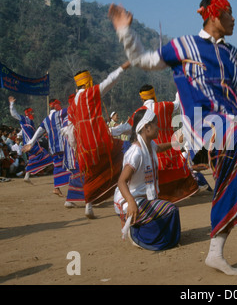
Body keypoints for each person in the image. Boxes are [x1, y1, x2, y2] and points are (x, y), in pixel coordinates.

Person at [109, 0, 237, 275]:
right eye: (229, 12)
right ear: (214, 15)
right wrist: (124, 30)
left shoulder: (234, 56)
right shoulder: (184, 46)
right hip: (204, 125)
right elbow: (143, 59)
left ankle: (215, 252)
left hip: (231, 126)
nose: (234, 18)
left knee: (230, 186)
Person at [111, 84, 199, 203]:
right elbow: (178, 103)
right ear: (153, 95)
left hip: (151, 156)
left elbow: (126, 128)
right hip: (169, 155)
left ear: (142, 98)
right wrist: (180, 84)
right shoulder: (165, 106)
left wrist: (109, 131)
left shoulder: (139, 113)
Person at [65, 62, 130, 218]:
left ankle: (89, 205)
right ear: (88, 82)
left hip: (84, 148)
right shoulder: (92, 93)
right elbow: (110, 81)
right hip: (101, 141)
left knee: (90, 174)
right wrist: (123, 67)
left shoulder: (72, 105)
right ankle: (127, 191)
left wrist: (75, 148)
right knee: (124, 152)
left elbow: (70, 131)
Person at [114, 108, 181, 250]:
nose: (159, 127)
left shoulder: (149, 145)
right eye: (156, 124)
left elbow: (160, 148)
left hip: (142, 199)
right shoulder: (136, 152)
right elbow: (121, 181)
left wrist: (174, 143)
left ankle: (144, 230)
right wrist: (131, 202)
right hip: (130, 201)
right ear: (146, 127)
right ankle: (139, 236)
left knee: (167, 212)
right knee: (170, 210)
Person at [22, 99, 72, 197]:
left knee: (58, 166)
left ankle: (56, 188)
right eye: (59, 104)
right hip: (63, 146)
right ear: (55, 105)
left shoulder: (45, 120)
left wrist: (31, 143)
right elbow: (73, 108)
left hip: (53, 149)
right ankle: (74, 193)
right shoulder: (61, 113)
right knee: (73, 167)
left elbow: (38, 132)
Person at [8, 96, 53, 181]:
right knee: (44, 153)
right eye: (32, 112)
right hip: (30, 144)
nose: (33, 114)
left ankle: (26, 176)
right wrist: (11, 104)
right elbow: (14, 114)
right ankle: (57, 164)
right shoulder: (23, 119)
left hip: (32, 143)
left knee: (32, 159)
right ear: (27, 113)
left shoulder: (31, 122)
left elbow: (30, 132)